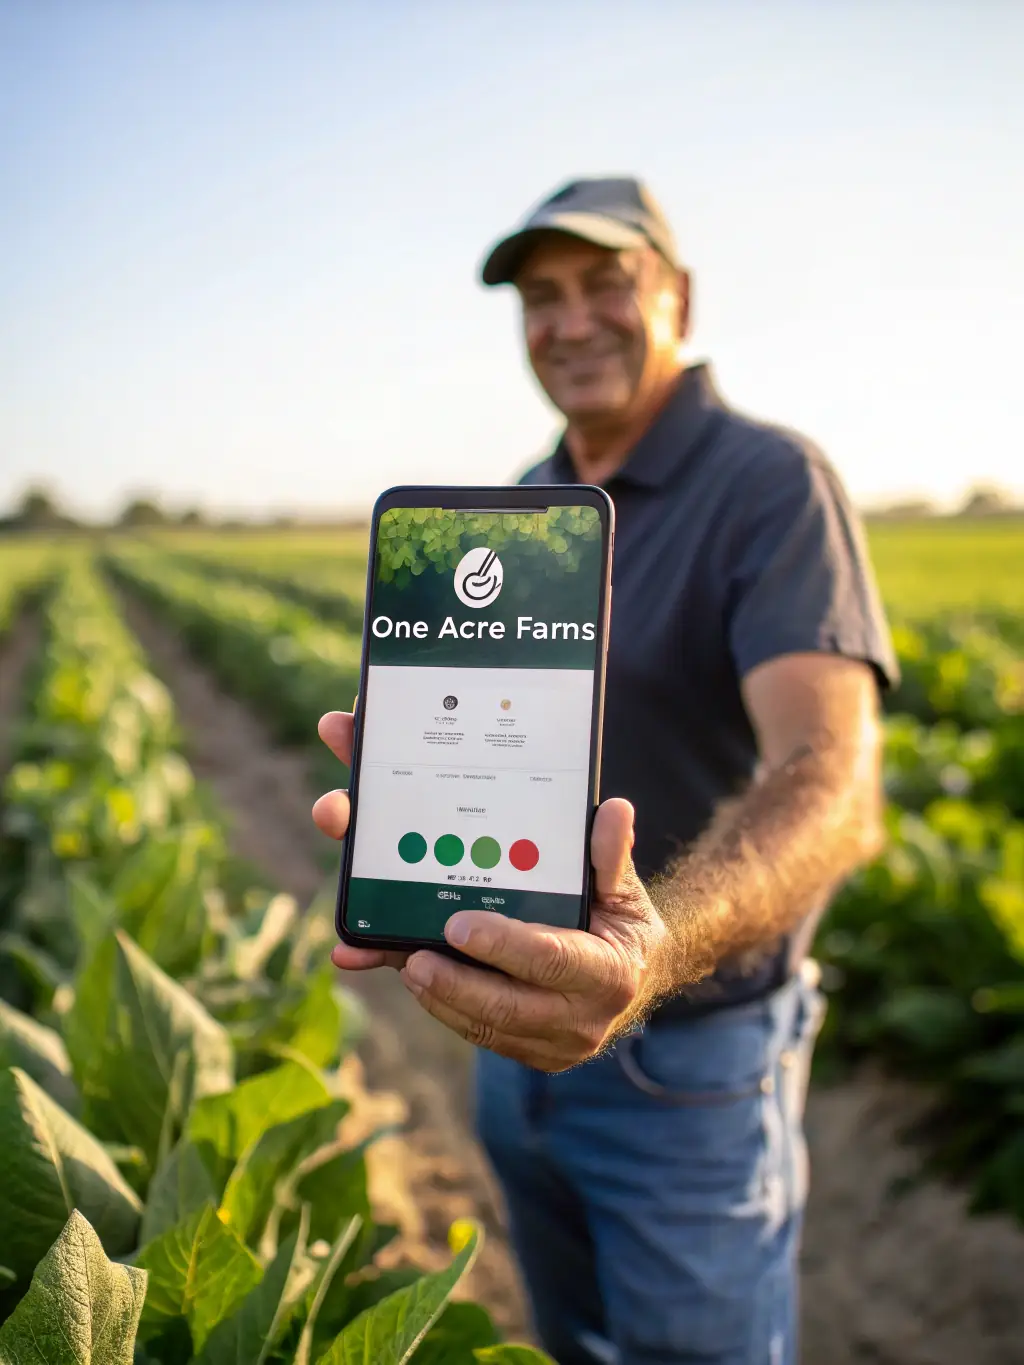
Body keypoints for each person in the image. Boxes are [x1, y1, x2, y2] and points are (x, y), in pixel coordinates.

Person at [313, 176, 898, 1365]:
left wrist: (647, 957)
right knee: (572, 1343)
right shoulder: (531, 511)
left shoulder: (769, 484)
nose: (568, 322)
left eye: (603, 286)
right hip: (512, 1043)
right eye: (540, 297)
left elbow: (831, 786)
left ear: (677, 297)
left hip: (691, 1063)